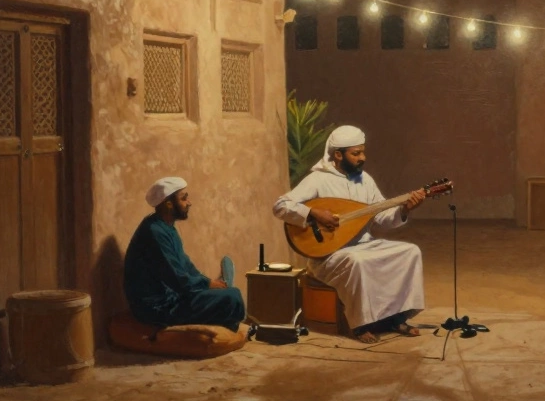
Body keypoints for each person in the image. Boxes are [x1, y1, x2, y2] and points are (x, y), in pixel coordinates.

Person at [273, 125, 427, 343]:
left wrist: (405, 209)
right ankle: (361, 324)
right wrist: (313, 213)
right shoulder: (318, 180)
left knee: (410, 251)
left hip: (364, 245)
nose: (362, 158)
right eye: (356, 153)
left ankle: (397, 317)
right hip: (330, 255)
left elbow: (380, 218)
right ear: (338, 155)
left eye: (363, 152)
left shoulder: (366, 180)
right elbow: (280, 206)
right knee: (358, 261)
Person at [124, 177, 246, 331]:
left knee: (228, 295)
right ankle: (229, 320)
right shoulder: (154, 232)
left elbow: (185, 266)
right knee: (232, 297)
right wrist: (207, 285)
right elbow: (176, 278)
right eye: (184, 198)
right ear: (168, 203)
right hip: (157, 307)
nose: (189, 203)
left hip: (172, 298)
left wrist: (207, 283)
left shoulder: (166, 228)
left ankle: (228, 317)